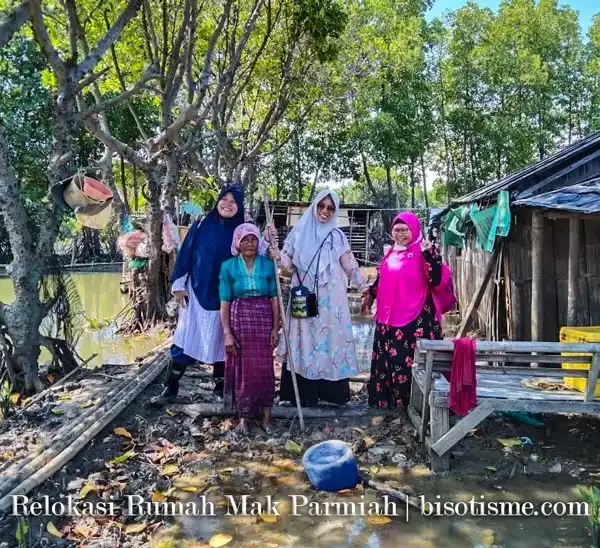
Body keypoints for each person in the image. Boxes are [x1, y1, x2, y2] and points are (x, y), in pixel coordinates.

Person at [150, 184, 274, 407]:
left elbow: (253, 251)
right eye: (224, 199)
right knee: (184, 340)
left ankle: (220, 388)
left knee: (223, 344)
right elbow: (186, 253)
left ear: (240, 206)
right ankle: (170, 388)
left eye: (233, 201)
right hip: (197, 292)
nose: (227, 204)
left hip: (227, 297)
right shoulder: (200, 226)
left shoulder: (241, 230)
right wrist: (179, 284)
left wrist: (265, 238)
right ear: (217, 201)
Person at [270, 189, 370, 406]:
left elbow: (350, 265)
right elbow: (286, 265)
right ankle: (301, 394)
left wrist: (367, 289)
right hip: (303, 296)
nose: (325, 211)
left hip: (332, 302)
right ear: (315, 206)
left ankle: (331, 394)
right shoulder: (299, 232)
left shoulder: (337, 236)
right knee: (303, 340)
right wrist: (277, 253)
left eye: (330, 208)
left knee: (330, 342)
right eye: (322, 206)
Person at [362, 211, 443, 410]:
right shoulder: (391, 253)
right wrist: (370, 296)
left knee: (405, 362)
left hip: (413, 320)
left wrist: (428, 255)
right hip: (387, 318)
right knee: (386, 359)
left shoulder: (423, 251)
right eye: (396, 230)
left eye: (404, 229)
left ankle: (410, 405)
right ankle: (385, 401)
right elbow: (383, 280)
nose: (400, 234)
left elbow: (436, 279)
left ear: (413, 229)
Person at [219, 223, 279, 434]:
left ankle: (266, 418)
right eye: (245, 239)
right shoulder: (228, 266)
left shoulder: (268, 264)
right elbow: (224, 301)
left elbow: (274, 298)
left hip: (263, 317)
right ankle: (243, 418)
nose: (250, 243)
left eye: (253, 239)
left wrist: (275, 327)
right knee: (242, 367)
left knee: (264, 368)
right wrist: (227, 333)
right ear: (237, 243)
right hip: (239, 319)